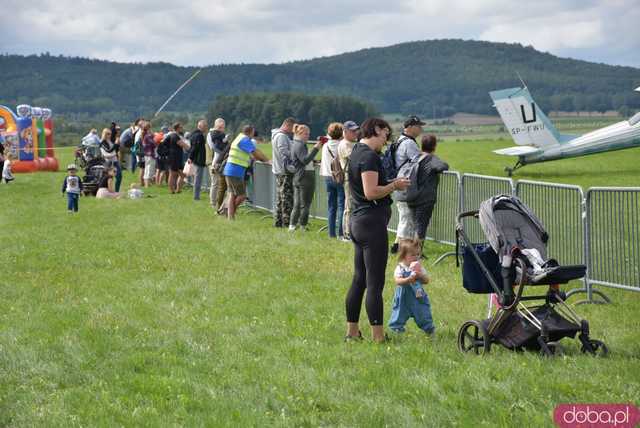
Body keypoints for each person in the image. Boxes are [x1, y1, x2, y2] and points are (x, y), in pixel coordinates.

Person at [344, 118, 410, 343]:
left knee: (359, 279)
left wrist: (390, 182)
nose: (385, 140)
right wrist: (394, 186)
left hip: (358, 221)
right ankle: (378, 337)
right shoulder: (369, 156)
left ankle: (352, 332)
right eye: (385, 135)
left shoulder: (356, 152)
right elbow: (371, 192)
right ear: (376, 130)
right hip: (371, 223)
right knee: (374, 282)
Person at [391, 115, 426, 253]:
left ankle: (396, 245)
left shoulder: (399, 140)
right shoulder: (409, 143)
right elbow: (419, 162)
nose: (420, 129)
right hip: (405, 184)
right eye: (418, 126)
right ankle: (402, 248)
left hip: (398, 181)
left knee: (403, 216)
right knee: (406, 217)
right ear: (410, 127)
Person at [409, 135, 449, 256]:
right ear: (434, 146)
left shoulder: (416, 157)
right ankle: (416, 254)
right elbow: (442, 166)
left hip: (411, 195)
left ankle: (415, 252)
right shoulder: (431, 158)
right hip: (425, 198)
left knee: (415, 225)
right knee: (421, 226)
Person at [388, 239, 435, 335]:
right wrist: (408, 280)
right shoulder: (400, 268)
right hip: (403, 298)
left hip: (418, 297)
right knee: (398, 314)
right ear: (403, 256)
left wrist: (420, 276)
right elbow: (397, 280)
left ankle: (429, 329)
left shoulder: (419, 267)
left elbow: (426, 280)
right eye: (413, 255)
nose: (416, 257)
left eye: (418, 254)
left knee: (423, 313)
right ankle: (396, 330)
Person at [222, 125, 268, 220]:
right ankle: (229, 212)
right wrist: (267, 161)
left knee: (232, 194)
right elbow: (255, 152)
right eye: (253, 133)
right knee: (242, 196)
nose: (253, 135)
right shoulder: (245, 140)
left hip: (230, 170)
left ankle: (230, 217)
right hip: (235, 171)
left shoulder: (238, 138)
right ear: (250, 132)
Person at [289, 124, 325, 231]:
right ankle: (303, 226)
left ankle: (292, 226)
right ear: (299, 134)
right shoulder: (300, 145)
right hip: (305, 177)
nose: (308, 136)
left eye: (308, 134)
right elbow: (305, 160)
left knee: (297, 203)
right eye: (306, 134)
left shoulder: (295, 143)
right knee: (305, 204)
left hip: (298, 176)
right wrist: (316, 148)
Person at [320, 122, 345, 239]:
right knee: (341, 205)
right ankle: (340, 232)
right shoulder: (341, 145)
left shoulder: (325, 146)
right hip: (339, 177)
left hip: (327, 176)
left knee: (331, 206)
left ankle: (331, 233)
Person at [271, 117, 296, 227]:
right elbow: (283, 152)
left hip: (279, 170)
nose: (293, 131)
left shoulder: (276, 135)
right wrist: (295, 156)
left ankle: (278, 221)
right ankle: (287, 222)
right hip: (284, 171)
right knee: (286, 198)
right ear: (287, 125)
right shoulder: (281, 136)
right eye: (293, 128)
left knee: (281, 198)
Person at [337, 120, 359, 241]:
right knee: (349, 206)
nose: (355, 133)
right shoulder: (345, 144)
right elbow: (355, 158)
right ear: (345, 132)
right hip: (349, 178)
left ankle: (353, 231)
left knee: (353, 205)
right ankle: (347, 233)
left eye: (356, 130)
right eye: (352, 131)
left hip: (354, 178)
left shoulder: (352, 143)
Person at [208, 118, 228, 211]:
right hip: (217, 161)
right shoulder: (216, 134)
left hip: (215, 161)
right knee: (216, 183)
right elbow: (215, 148)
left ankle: (214, 202)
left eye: (223, 127)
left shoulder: (211, 134)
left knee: (216, 184)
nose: (222, 129)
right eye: (221, 127)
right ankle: (213, 202)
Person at [188, 119, 208, 200]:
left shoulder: (193, 134)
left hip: (195, 158)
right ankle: (196, 196)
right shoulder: (199, 136)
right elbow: (195, 148)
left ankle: (196, 195)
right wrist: (191, 157)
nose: (206, 128)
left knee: (197, 177)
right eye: (205, 126)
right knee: (198, 178)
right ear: (200, 126)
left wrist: (191, 157)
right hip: (199, 159)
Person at [165, 123, 188, 194]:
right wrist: (191, 148)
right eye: (181, 127)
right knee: (172, 174)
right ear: (177, 128)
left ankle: (178, 189)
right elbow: (183, 145)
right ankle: (172, 190)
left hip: (176, 157)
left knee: (182, 174)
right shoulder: (174, 136)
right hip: (174, 157)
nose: (182, 128)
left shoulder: (171, 135)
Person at [100, 127, 122, 192]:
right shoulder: (102, 142)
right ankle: (107, 191)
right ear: (104, 134)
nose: (109, 135)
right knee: (109, 177)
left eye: (110, 134)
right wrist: (115, 144)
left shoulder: (110, 141)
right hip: (108, 162)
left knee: (119, 176)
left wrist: (118, 144)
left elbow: (115, 150)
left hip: (115, 161)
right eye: (108, 134)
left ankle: (116, 191)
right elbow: (108, 151)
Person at [141, 122, 156, 188]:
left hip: (146, 154)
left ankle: (147, 184)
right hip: (150, 154)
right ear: (148, 128)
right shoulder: (148, 136)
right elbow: (154, 144)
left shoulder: (144, 135)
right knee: (149, 170)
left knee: (147, 169)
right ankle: (147, 185)